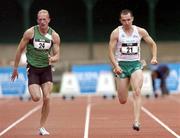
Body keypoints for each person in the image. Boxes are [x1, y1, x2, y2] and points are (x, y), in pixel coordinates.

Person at [11, 9, 60, 135]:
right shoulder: (30, 33)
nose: (42, 22)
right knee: (36, 97)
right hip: (32, 68)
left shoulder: (54, 36)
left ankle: (42, 127)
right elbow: (19, 50)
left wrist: (52, 59)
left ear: (49, 20)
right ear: (37, 20)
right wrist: (15, 68)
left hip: (46, 69)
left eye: (45, 19)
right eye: (40, 19)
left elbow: (57, 55)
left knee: (48, 97)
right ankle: (33, 84)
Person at [108, 9, 157, 131]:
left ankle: (137, 121)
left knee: (137, 92)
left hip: (136, 65)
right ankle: (124, 85)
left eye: (129, 19)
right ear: (120, 21)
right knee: (123, 100)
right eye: (124, 20)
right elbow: (110, 51)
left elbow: (152, 44)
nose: (126, 22)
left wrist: (154, 57)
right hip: (121, 67)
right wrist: (116, 66)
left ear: (132, 19)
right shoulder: (116, 33)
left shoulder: (140, 31)